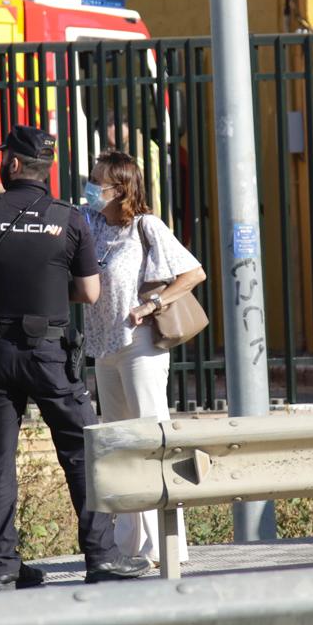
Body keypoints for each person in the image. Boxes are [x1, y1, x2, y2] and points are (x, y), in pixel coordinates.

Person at [0, 124, 149, 590]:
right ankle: (100, 557)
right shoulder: (68, 219)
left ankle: (3, 567)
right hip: (51, 354)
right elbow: (90, 292)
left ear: (12, 165)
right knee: (82, 453)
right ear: (46, 167)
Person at [81, 149, 206, 567]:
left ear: (120, 188)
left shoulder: (145, 225)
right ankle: (131, 544)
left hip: (140, 346)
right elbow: (43, 209)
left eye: (98, 179)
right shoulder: (92, 221)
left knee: (152, 439)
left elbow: (193, 273)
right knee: (120, 443)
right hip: (104, 345)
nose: (91, 185)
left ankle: (167, 545)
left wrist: (151, 304)